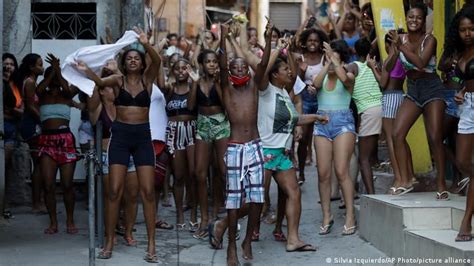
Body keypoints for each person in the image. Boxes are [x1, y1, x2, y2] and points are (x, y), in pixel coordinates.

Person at [77, 27, 160, 262]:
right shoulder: (117, 80)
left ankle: (152, 244)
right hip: (120, 137)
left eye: (137, 58)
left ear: (142, 63)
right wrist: (86, 70)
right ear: (124, 63)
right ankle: (110, 240)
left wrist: (145, 44)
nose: (133, 60)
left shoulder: (147, 79)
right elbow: (98, 80)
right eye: (129, 58)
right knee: (113, 191)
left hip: (143, 137)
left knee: (148, 192)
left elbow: (157, 59)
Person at [207, 22, 271, 266]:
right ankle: (232, 245)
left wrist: (269, 39)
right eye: (236, 66)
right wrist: (223, 37)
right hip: (235, 147)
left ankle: (246, 240)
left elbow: (263, 65)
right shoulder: (227, 88)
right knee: (233, 200)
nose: (241, 68)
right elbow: (222, 65)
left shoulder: (254, 86)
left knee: (258, 199)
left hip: (255, 145)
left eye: (244, 65)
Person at [257, 37, 324, 251]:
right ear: (275, 74)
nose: (290, 72)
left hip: (282, 154)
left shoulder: (285, 94)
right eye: (285, 69)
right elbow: (264, 67)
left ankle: (293, 239)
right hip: (265, 152)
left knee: (293, 193)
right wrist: (277, 48)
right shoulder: (265, 90)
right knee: (256, 202)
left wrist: (315, 117)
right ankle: (223, 226)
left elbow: (295, 119)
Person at [390, 3, 447, 199]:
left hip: (432, 89)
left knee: (435, 137)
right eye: (410, 17)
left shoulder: (430, 39)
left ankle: (441, 184)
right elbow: (390, 66)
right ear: (406, 19)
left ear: (423, 21)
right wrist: (392, 48)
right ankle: (406, 179)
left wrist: (401, 46)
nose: (413, 20)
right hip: (413, 89)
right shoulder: (401, 39)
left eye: (418, 18)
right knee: (397, 133)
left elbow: (421, 63)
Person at [87, 60, 140, 246]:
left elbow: (128, 85)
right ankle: (110, 234)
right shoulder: (97, 108)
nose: (113, 89)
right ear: (102, 90)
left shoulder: (123, 106)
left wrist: (116, 69)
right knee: (112, 196)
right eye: (109, 87)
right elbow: (92, 93)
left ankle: (128, 231)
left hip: (130, 153)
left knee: (132, 196)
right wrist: (99, 73)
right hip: (107, 156)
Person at [312, 40, 357, 235]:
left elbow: (345, 79)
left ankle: (350, 215)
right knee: (323, 173)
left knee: (341, 171)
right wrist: (326, 64)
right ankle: (326, 215)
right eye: (327, 59)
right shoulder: (321, 77)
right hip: (322, 124)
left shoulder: (348, 75)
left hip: (343, 123)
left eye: (333, 59)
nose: (330, 62)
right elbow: (314, 84)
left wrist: (334, 60)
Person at [187, 49, 229, 239]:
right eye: (208, 62)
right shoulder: (196, 80)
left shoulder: (221, 81)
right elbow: (190, 106)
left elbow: (226, 105)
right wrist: (195, 83)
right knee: (199, 173)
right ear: (202, 64)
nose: (212, 64)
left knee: (223, 170)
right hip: (202, 123)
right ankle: (204, 218)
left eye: (214, 61)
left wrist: (218, 82)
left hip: (220, 123)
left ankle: (222, 215)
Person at [367, 33, 416, 194]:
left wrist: (373, 67)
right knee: (401, 139)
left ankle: (399, 178)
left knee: (391, 140)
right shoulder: (403, 58)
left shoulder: (391, 58)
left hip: (389, 97)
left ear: (388, 44)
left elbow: (382, 82)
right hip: (401, 95)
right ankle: (410, 175)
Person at [37, 54, 80, 234]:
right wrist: (53, 70)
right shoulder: (43, 95)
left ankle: (70, 220)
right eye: (53, 76)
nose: (55, 80)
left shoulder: (66, 95)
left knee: (67, 184)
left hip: (65, 139)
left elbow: (70, 91)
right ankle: (53, 222)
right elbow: (39, 89)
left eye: (57, 76)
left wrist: (58, 71)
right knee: (48, 185)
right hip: (46, 140)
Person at [158, 57, 198, 231]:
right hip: (174, 132)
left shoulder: (194, 87)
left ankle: (194, 214)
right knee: (179, 176)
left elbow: (191, 107)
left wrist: (195, 81)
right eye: (178, 69)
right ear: (173, 71)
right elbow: (160, 81)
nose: (181, 71)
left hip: (192, 130)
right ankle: (180, 214)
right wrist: (159, 61)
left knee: (194, 174)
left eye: (185, 68)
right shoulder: (169, 89)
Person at [346, 38, 383, 194]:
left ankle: (371, 195)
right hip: (381, 108)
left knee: (363, 159)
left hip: (369, 111)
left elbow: (345, 79)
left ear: (354, 51)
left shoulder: (353, 66)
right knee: (371, 156)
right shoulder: (375, 66)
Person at [450, 6, 474, 242]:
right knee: (462, 161)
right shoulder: (461, 53)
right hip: (467, 106)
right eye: (463, 29)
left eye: (471, 29)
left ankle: (466, 221)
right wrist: (461, 91)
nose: (467, 33)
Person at [295, 27, 330, 185]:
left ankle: (326, 173)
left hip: (323, 98)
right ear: (305, 42)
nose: (312, 43)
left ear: (320, 42)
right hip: (306, 99)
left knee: (325, 135)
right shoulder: (301, 58)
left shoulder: (325, 58)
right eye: (310, 40)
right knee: (304, 138)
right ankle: (301, 172)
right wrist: (302, 76)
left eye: (316, 41)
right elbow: (294, 81)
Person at [15, 53, 45, 213]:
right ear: (32, 67)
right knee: (38, 163)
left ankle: (38, 202)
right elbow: (30, 106)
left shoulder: (31, 80)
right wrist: (43, 121)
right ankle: (36, 203)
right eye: (40, 64)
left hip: (31, 123)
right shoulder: (31, 82)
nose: (42, 67)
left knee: (38, 163)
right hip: (31, 124)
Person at [2, 53, 23, 218]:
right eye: (5, 63)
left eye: (11, 64)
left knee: (6, 168)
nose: (8, 66)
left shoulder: (16, 85)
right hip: (4, 126)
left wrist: (14, 111)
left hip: (12, 128)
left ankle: (4, 205)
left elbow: (18, 109)